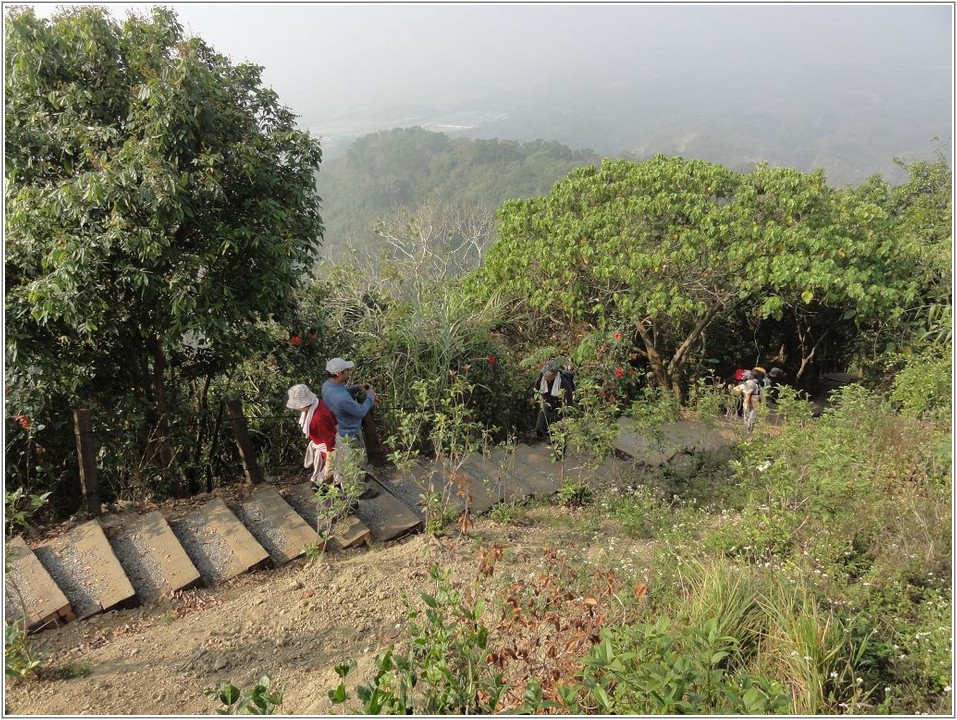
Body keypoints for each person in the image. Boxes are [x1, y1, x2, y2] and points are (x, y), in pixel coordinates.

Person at [321, 357, 379, 498]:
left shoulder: (327, 387)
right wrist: (370, 397)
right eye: (346, 370)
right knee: (357, 461)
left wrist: (356, 389)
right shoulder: (341, 397)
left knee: (343, 460)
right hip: (350, 432)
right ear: (339, 374)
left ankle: (340, 483)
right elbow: (360, 411)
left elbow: (344, 394)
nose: (348, 372)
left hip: (340, 431)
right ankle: (358, 491)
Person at [286, 384, 337, 491]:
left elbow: (331, 444)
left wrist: (328, 466)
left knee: (334, 479)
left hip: (329, 450)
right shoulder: (316, 404)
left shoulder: (319, 417)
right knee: (323, 482)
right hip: (323, 448)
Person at [532, 358, 575, 443]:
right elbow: (536, 387)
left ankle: (557, 448)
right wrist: (533, 398)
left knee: (557, 434)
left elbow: (569, 402)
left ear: (554, 375)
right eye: (544, 374)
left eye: (547, 375)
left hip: (559, 409)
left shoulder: (563, 382)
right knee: (539, 428)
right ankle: (546, 440)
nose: (545, 376)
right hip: (546, 405)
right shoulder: (542, 375)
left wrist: (566, 417)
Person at [730, 370, 761, 435]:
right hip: (755, 402)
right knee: (751, 419)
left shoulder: (750, 382)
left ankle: (746, 434)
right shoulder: (759, 383)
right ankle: (748, 434)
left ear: (751, 376)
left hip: (749, 402)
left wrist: (733, 390)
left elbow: (741, 389)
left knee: (747, 419)